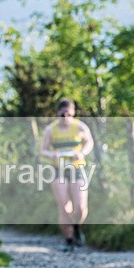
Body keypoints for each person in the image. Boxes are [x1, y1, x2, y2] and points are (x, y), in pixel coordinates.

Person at [40, 99, 94, 252]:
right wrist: (52, 155)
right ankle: (68, 239)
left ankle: (77, 227)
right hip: (59, 170)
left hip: (77, 169)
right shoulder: (51, 130)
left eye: (68, 114)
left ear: (74, 113)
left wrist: (81, 153)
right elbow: (43, 150)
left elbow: (90, 143)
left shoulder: (80, 127)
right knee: (64, 207)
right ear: (58, 113)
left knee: (81, 206)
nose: (65, 118)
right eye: (62, 115)